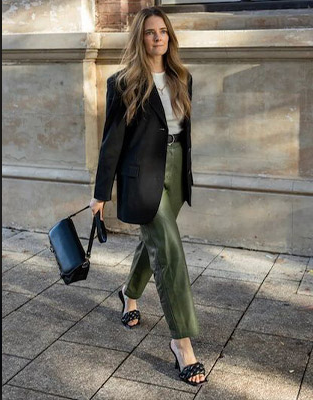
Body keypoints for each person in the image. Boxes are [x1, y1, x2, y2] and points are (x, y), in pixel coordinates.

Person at [88, 7, 207, 386]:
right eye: (150, 33)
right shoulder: (124, 82)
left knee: (153, 243)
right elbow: (111, 143)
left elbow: (182, 132)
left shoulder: (182, 77)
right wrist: (100, 194)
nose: (158, 38)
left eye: (163, 32)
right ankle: (182, 344)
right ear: (139, 38)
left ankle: (128, 293)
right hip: (141, 176)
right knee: (169, 250)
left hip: (174, 168)